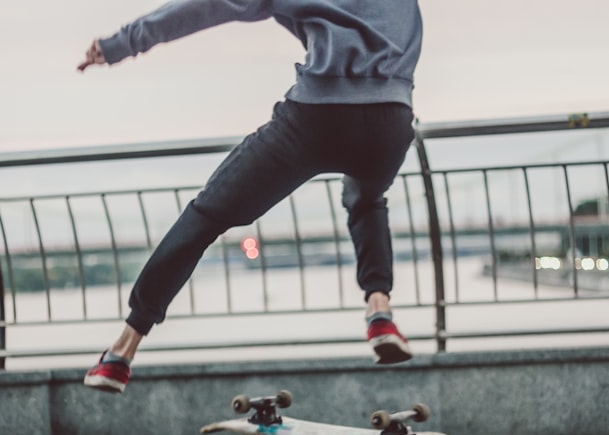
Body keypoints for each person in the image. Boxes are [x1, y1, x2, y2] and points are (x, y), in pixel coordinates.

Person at [79, 0, 422, 394]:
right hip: (391, 120)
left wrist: (119, 45)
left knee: (207, 215)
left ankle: (122, 351)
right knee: (366, 199)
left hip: (317, 117)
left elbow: (203, 8)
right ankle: (380, 310)